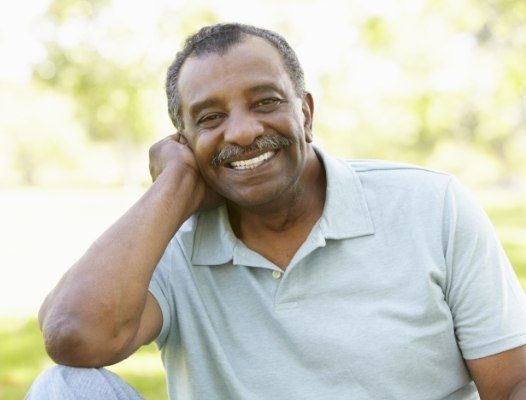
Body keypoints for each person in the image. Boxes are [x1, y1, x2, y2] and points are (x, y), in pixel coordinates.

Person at [27, 22, 526, 400]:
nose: (242, 132)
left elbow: (512, 382)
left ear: (305, 113)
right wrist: (173, 186)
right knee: (64, 386)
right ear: (184, 140)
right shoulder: (167, 242)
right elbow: (74, 338)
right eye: (211, 118)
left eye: (264, 102)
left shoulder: (430, 206)